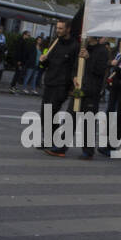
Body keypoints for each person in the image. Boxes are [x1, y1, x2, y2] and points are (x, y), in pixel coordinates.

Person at [37, 19, 79, 157]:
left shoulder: (74, 46)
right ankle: (49, 140)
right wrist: (43, 61)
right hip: (50, 81)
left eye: (61, 28)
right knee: (45, 113)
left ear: (68, 29)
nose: (58, 31)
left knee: (52, 113)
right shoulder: (54, 42)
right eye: (57, 28)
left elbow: (75, 67)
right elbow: (46, 63)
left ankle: (54, 141)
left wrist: (72, 85)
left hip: (62, 85)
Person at [74, 36, 111, 160]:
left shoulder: (102, 51)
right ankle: (60, 145)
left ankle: (88, 151)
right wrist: (73, 76)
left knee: (88, 121)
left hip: (92, 90)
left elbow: (100, 71)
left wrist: (89, 58)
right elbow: (76, 65)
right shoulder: (83, 48)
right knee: (71, 114)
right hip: (79, 88)